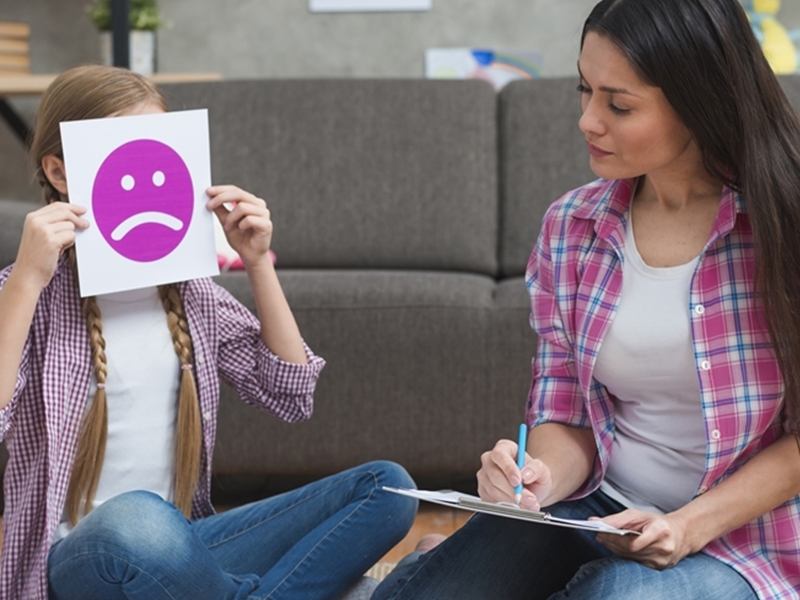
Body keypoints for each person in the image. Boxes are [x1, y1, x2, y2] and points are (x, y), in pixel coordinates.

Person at [372, 0, 800, 598]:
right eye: (585, 90)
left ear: (698, 101)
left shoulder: (783, 223)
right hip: (599, 510)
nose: (587, 120)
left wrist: (685, 526)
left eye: (619, 104)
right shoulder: (572, 225)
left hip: (740, 539)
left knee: (613, 595)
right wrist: (536, 481)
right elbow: (566, 408)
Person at [0, 64, 417, 600]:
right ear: (59, 173)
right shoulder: (23, 292)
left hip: (183, 548)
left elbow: (290, 394)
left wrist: (258, 262)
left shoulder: (191, 292)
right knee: (137, 518)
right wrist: (28, 279)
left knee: (389, 486)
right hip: (81, 562)